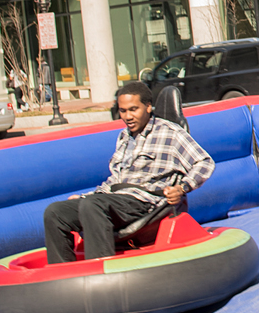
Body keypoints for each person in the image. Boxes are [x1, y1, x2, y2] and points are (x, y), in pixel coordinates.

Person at [42, 82, 215, 264]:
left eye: (133, 109)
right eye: (123, 111)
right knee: (55, 212)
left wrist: (182, 188)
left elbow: (204, 162)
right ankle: (64, 275)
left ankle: (100, 271)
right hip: (117, 200)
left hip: (145, 201)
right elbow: (116, 180)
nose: (128, 116)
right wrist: (85, 197)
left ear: (148, 107)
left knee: (93, 206)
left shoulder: (170, 133)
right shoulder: (124, 137)